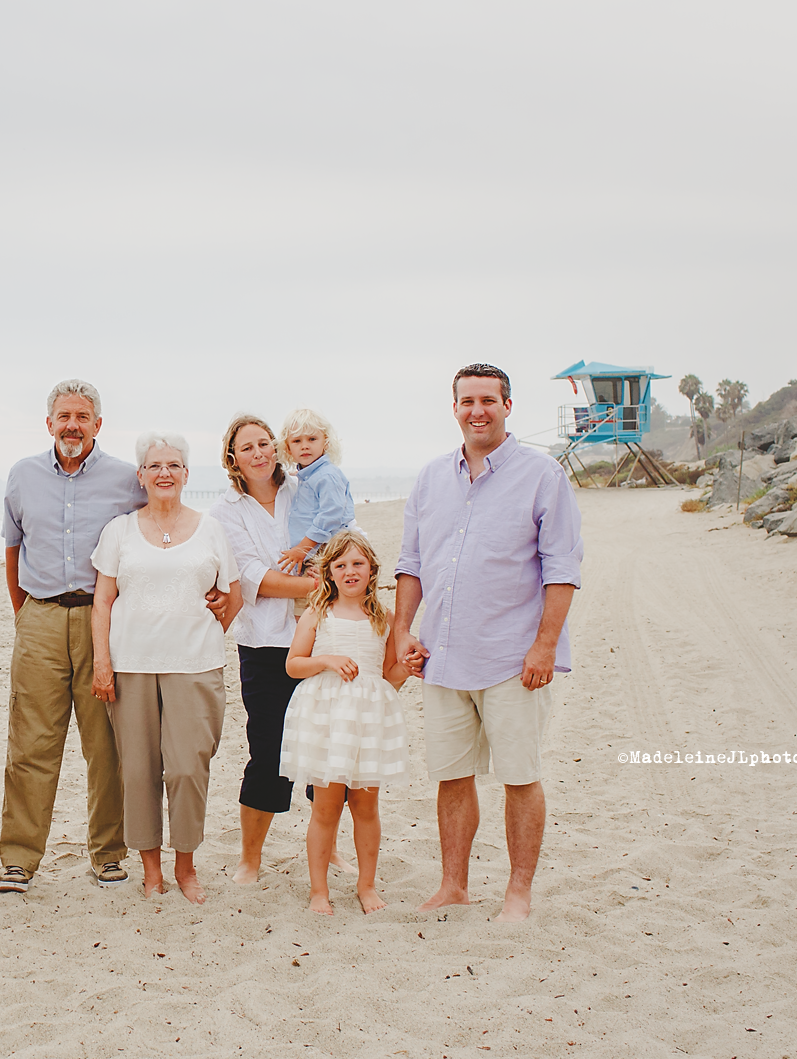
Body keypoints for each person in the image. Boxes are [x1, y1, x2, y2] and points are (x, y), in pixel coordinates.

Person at [392, 363, 583, 922]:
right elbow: (411, 563)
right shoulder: (431, 478)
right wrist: (402, 630)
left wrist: (545, 646)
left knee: (519, 777)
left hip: (511, 659)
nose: (477, 411)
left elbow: (562, 568)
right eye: (467, 401)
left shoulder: (543, 475)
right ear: (454, 408)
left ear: (507, 406)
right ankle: (454, 885)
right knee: (452, 777)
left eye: (488, 400)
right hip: (442, 657)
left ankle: (518, 893)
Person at [0, 379, 149, 894]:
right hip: (39, 617)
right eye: (64, 416)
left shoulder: (127, 479)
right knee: (30, 743)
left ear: (98, 424)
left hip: (103, 621)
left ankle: (108, 853)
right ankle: (19, 859)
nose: (72, 426)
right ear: (48, 423)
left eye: (82, 417)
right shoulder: (23, 475)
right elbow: (13, 550)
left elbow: (155, 536)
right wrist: (24, 615)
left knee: (106, 745)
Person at [90, 432, 242, 903]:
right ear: (140, 475)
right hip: (131, 665)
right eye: (155, 466)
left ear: (186, 474)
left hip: (195, 665)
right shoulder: (119, 531)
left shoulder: (211, 528)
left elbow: (233, 595)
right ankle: (151, 870)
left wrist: (207, 629)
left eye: (173, 465)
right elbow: (102, 601)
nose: (164, 473)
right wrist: (102, 662)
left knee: (187, 769)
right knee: (138, 771)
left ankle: (186, 867)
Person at [210, 414, 319, 884]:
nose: (258, 453)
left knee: (326, 749)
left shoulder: (304, 488)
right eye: (247, 448)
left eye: (264, 444)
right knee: (268, 751)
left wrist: (325, 580)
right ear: (233, 459)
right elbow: (253, 577)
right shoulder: (225, 511)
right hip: (263, 644)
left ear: (276, 447)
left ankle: (328, 851)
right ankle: (250, 859)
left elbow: (338, 537)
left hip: (318, 638)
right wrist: (316, 585)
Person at [279, 529, 409, 915]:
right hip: (328, 718)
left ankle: (366, 885)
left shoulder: (384, 618)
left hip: (368, 718)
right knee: (326, 808)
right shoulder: (318, 613)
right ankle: (319, 890)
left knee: (366, 808)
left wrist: (408, 667)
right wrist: (326, 661)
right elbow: (293, 665)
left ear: (371, 570)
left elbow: (389, 675)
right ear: (329, 573)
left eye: (357, 564)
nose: (350, 571)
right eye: (341, 565)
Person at [275, 408, 355, 581]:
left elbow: (331, 515)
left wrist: (302, 548)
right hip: (313, 551)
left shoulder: (327, 475)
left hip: (326, 549)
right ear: (288, 448)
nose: (305, 446)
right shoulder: (309, 476)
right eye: (297, 441)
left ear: (325, 442)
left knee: (321, 592)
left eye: (312, 439)